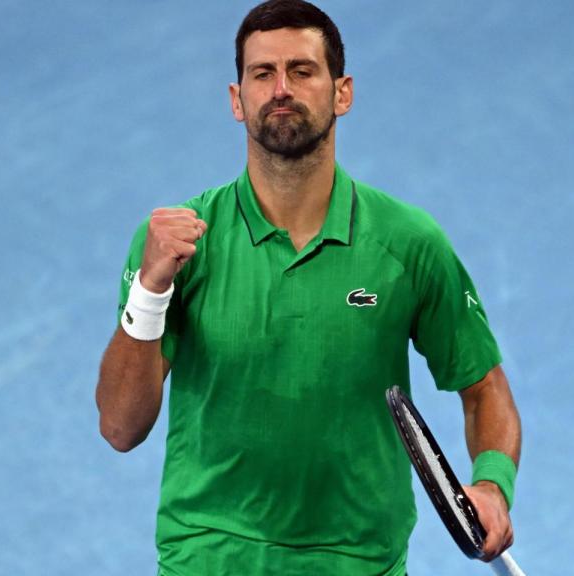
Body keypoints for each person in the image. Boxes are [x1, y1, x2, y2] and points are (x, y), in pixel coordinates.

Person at [95, 1, 522, 574]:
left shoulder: (409, 243)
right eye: (262, 74)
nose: (280, 89)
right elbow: (121, 428)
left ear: (342, 92)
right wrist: (149, 291)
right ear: (236, 98)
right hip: (209, 555)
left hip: (357, 560)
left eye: (302, 71)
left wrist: (492, 483)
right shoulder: (177, 245)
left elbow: (484, 388)